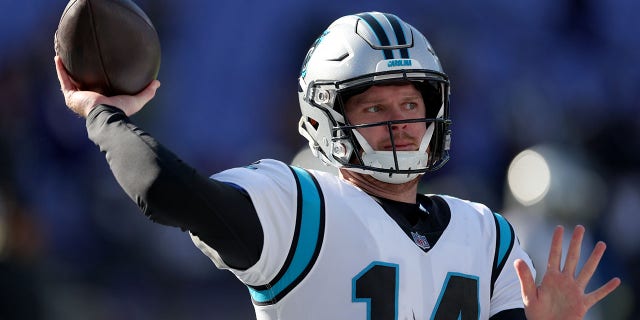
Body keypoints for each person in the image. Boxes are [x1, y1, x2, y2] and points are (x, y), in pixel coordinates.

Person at [55, 11, 620, 320]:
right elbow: (161, 187)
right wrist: (103, 116)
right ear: (325, 117)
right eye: (374, 107)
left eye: (411, 105)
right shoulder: (299, 205)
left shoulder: (488, 234)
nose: (399, 123)